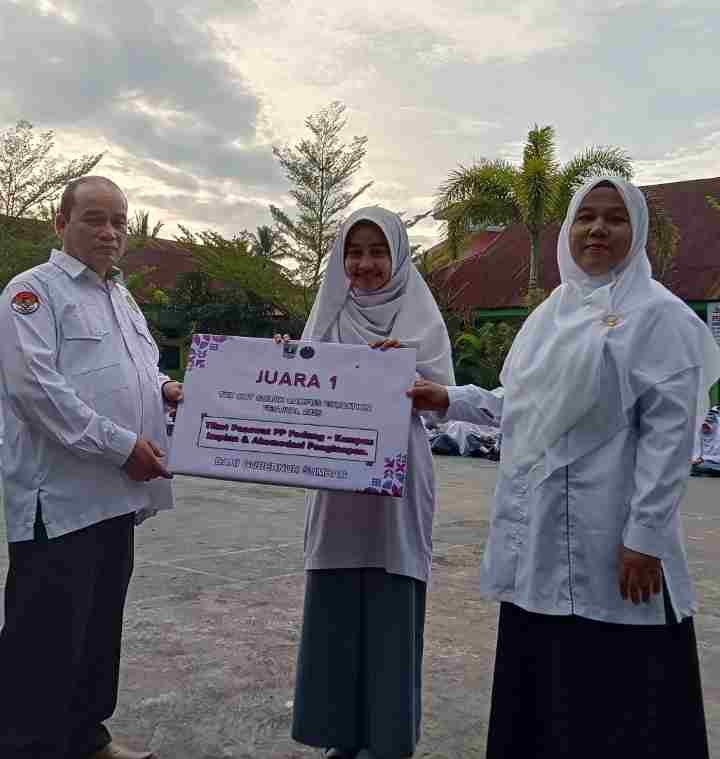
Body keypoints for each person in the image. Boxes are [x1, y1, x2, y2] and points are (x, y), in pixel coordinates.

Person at [408, 177, 720, 758]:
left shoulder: (661, 318)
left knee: (621, 706)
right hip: (542, 539)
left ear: (637, 231)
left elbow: (670, 439)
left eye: (614, 218)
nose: (597, 229)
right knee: (547, 692)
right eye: (585, 217)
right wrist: (448, 398)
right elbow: (523, 403)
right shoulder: (552, 314)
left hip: (615, 545)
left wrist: (645, 537)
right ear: (569, 229)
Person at [0, 176, 181, 759]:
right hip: (61, 501)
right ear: (61, 223)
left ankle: (86, 737)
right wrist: (122, 445)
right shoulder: (32, 293)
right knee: (43, 638)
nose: (109, 233)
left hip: (117, 495)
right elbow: (36, 391)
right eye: (94, 219)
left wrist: (166, 389)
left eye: (119, 222)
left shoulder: (120, 296)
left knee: (98, 630)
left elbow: (137, 371)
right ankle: (26, 746)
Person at [289, 207, 454, 759]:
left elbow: (442, 402)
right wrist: (278, 363)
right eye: (354, 252)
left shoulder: (420, 319)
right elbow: (297, 393)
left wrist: (405, 372)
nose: (365, 264)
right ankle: (339, 735)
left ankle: (386, 739)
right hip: (335, 486)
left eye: (378, 251)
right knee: (334, 600)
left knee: (391, 598)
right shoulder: (328, 316)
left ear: (398, 256)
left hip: (396, 484)